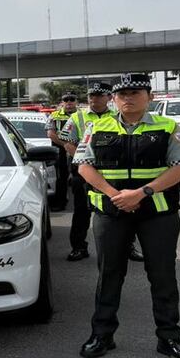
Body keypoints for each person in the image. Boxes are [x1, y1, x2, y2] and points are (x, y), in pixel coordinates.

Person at [74, 73, 180, 358]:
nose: (129, 98)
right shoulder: (96, 125)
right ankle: (102, 335)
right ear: (114, 98)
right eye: (123, 93)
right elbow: (83, 167)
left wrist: (141, 193)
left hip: (157, 214)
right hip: (111, 212)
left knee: (163, 276)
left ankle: (169, 338)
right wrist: (116, 195)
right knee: (109, 275)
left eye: (136, 92)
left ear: (149, 97)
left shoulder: (169, 127)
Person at [60, 84, 116, 262]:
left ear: (109, 97)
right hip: (82, 172)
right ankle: (78, 247)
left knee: (118, 211)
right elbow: (68, 143)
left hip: (112, 173)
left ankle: (127, 246)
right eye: (92, 95)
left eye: (99, 96)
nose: (94, 99)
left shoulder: (118, 116)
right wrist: (87, 162)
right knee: (81, 211)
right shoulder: (78, 116)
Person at [45, 94, 79, 210]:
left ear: (76, 101)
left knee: (80, 176)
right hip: (60, 150)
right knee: (61, 177)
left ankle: (82, 203)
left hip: (79, 149)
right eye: (66, 100)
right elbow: (50, 134)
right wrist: (65, 145)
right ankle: (60, 203)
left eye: (72, 99)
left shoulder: (82, 114)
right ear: (62, 102)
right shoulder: (54, 115)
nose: (69, 102)